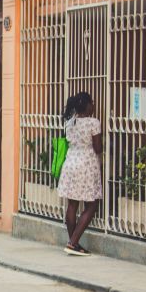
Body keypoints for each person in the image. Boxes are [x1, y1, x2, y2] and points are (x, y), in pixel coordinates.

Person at [57, 92, 103, 256]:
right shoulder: (93, 122)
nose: (94, 105)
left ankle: (73, 243)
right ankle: (73, 242)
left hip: (70, 163)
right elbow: (97, 148)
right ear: (88, 105)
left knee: (73, 204)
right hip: (86, 164)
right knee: (92, 204)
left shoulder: (70, 123)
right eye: (92, 103)